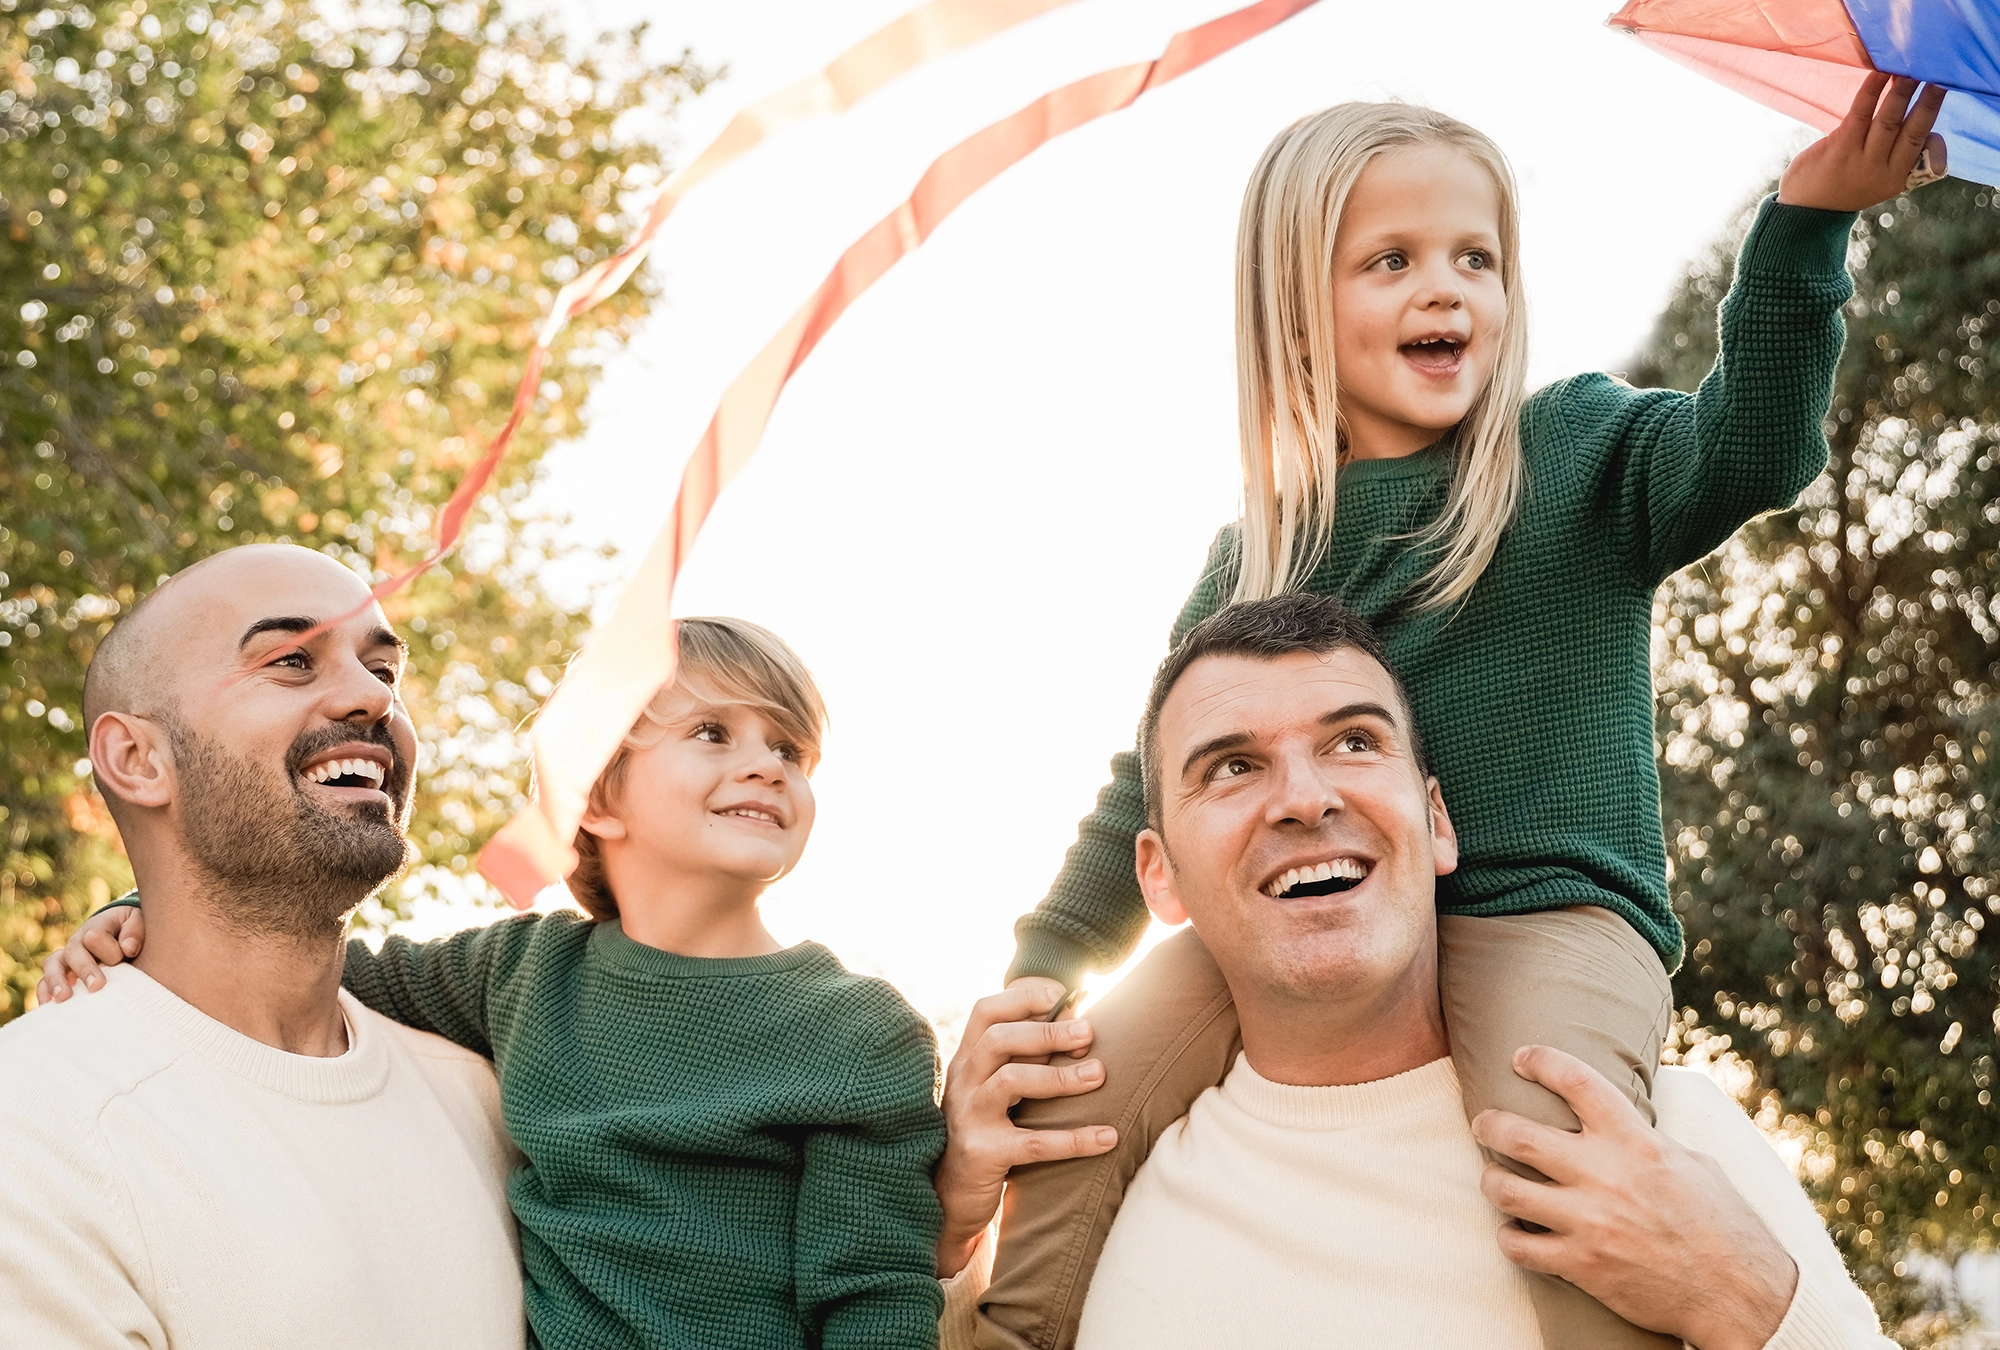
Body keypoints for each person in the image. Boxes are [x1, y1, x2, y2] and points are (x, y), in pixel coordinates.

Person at [982, 81, 1950, 1349]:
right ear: (1293, 310)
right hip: (1311, 924)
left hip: (1546, 914)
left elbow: (1750, 451)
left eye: (1474, 260)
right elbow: (1144, 792)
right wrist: (1043, 974)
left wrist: (1803, 226)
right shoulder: (1254, 559)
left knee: (1561, 1162)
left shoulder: (1574, 456)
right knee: (1077, 1097)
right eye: (1390, 260)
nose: (1446, 291)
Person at [935, 593, 1895, 1349]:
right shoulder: (1092, 1198)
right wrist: (948, 1238)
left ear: (1437, 821)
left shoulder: (1657, 1142)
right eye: (1232, 767)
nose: (1305, 800)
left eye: (1354, 742)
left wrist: (1746, 1297)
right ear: (1158, 874)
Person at [45, 607, 949, 1350]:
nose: (765, 764)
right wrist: (138, 912)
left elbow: (872, 1295)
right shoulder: (522, 972)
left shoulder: (858, 1033)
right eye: (712, 733)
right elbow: (307, 965)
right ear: (596, 798)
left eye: (790, 749)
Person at [0, 544, 525, 1348]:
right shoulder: (33, 1129)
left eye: (385, 672)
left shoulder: (493, 1102)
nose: (370, 699)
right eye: (290, 661)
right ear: (138, 759)